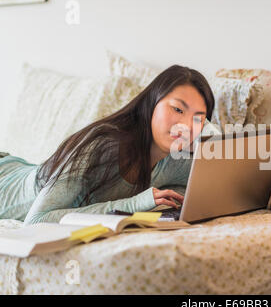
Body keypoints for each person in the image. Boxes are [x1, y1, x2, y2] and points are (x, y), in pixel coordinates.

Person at [0, 65, 221, 225]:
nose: (185, 126)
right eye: (178, 109)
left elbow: (220, 178)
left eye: (198, 118)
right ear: (151, 103)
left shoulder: (178, 157)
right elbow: (37, 220)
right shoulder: (100, 147)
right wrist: (136, 204)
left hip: (23, 167)